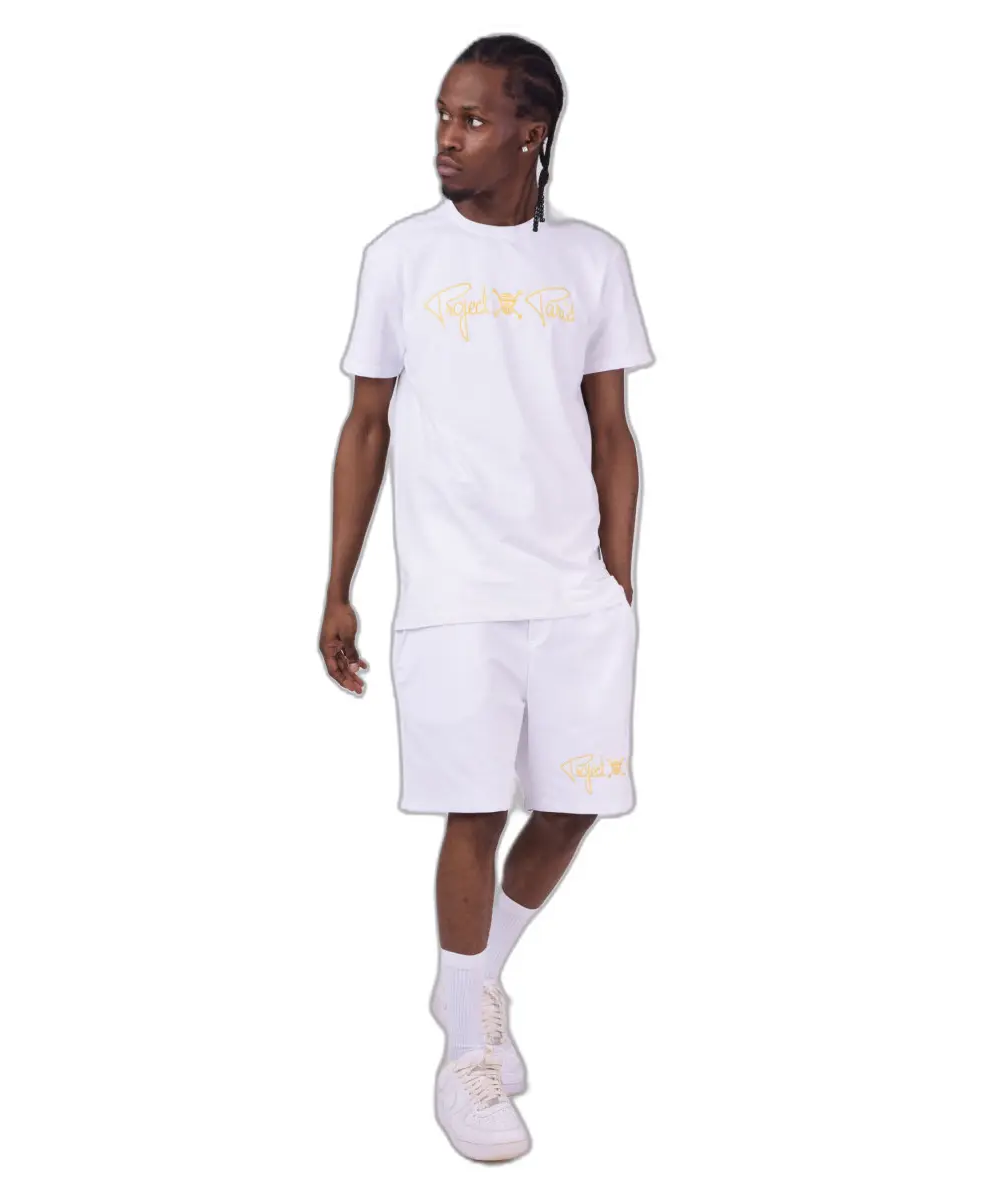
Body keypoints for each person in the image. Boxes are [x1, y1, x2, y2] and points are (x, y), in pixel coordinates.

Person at [320, 34, 654, 1163]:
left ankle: (469, 979)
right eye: (441, 117)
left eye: (471, 120)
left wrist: (619, 577)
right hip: (455, 595)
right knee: (475, 811)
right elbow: (365, 426)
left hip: (575, 597)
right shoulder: (401, 257)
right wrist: (338, 588)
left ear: (530, 132)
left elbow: (612, 431)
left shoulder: (593, 260)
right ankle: (466, 1051)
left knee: (574, 806)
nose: (447, 140)